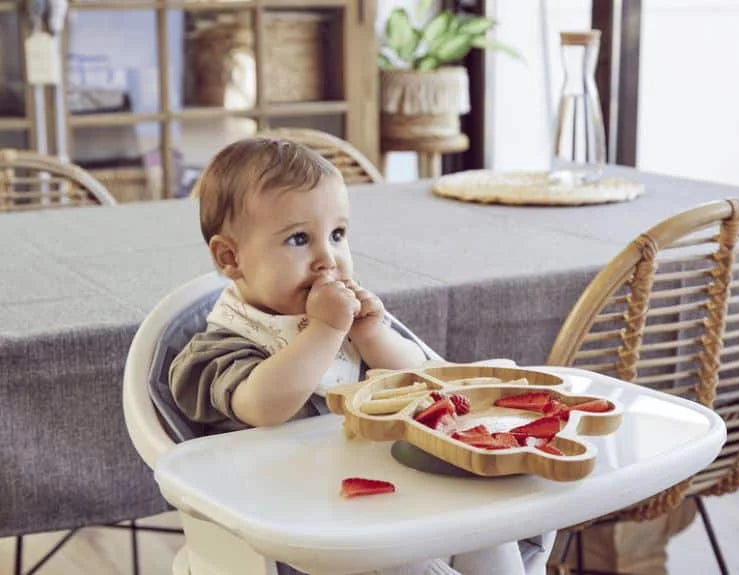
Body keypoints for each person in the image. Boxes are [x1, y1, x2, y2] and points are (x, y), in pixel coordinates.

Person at [169, 137, 529, 575]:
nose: (328, 259)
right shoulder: (222, 346)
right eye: (299, 239)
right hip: (294, 524)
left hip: (387, 489)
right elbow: (263, 405)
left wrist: (372, 333)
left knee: (489, 527)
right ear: (230, 257)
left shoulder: (344, 319)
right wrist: (325, 331)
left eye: (337, 235)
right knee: (403, 561)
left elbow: (421, 378)